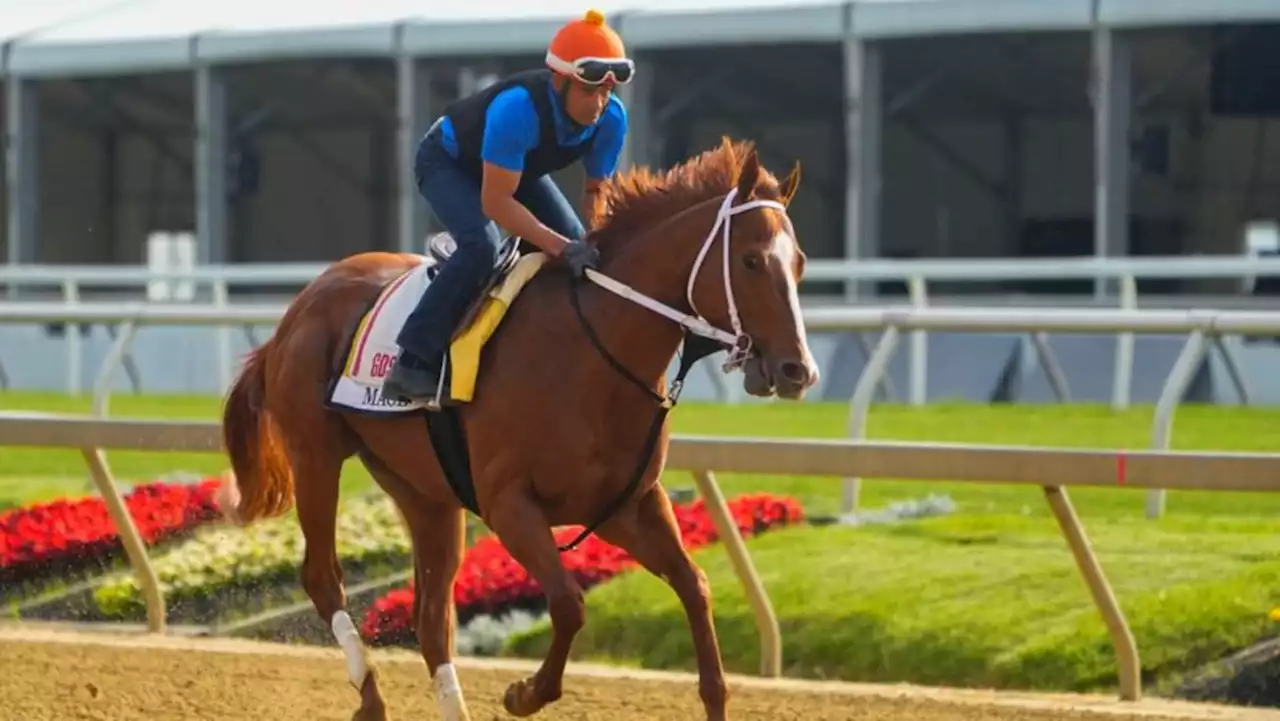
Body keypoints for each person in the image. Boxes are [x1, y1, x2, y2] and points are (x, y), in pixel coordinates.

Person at [382, 8, 634, 406]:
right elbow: (495, 201)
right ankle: (412, 361)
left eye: (606, 92)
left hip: (518, 170)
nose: (599, 104)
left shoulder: (613, 121)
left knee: (577, 247)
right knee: (481, 245)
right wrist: (559, 247)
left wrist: (595, 243)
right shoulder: (517, 109)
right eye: (589, 91)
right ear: (558, 81)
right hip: (447, 162)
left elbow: (595, 195)